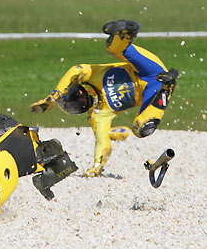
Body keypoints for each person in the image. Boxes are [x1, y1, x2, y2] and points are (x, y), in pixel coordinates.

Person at [30, 20, 178, 177]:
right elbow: (102, 142)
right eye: (78, 105)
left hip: (147, 69)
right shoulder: (98, 115)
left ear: (79, 87)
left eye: (76, 96)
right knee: (140, 129)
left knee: (114, 49)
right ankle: (168, 86)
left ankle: (125, 32)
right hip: (156, 90)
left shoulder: (91, 74)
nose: (81, 100)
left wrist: (53, 98)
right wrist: (97, 166)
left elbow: (75, 70)